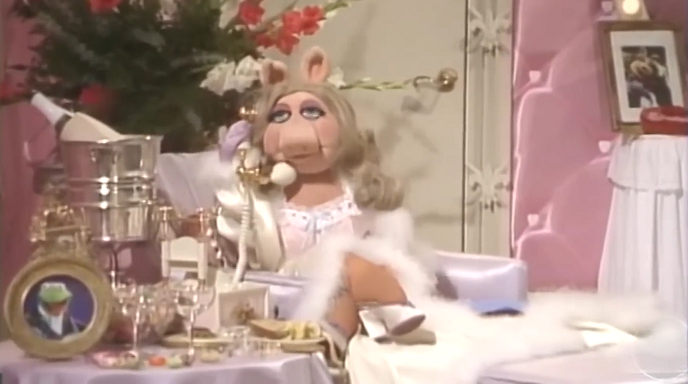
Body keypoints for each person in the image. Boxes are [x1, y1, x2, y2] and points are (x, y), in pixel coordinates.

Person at [213, 47, 676, 383]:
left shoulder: (357, 195)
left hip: (381, 297)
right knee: (342, 259)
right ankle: (335, 333)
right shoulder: (264, 200)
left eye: (312, 112)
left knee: (353, 258)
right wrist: (238, 173)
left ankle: (345, 333)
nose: (295, 129)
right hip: (300, 299)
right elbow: (242, 263)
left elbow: (399, 252)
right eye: (280, 117)